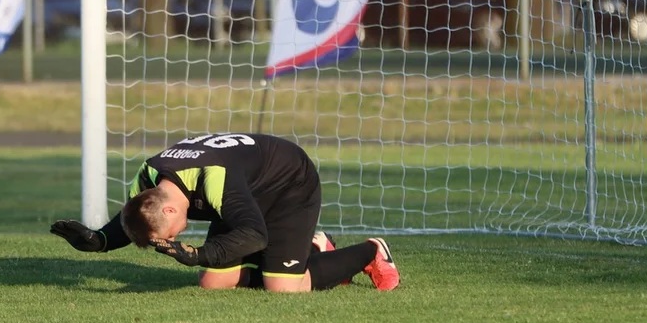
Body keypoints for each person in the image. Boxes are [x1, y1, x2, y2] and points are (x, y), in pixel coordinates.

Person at [50, 133, 400, 293]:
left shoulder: (213, 180)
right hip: (243, 192)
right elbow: (136, 222)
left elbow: (255, 234)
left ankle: (370, 250)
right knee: (214, 282)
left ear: (171, 209)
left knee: (285, 288)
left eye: (169, 235)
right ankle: (312, 249)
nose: (172, 241)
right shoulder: (146, 181)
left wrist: (199, 254)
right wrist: (100, 241)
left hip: (287, 186)